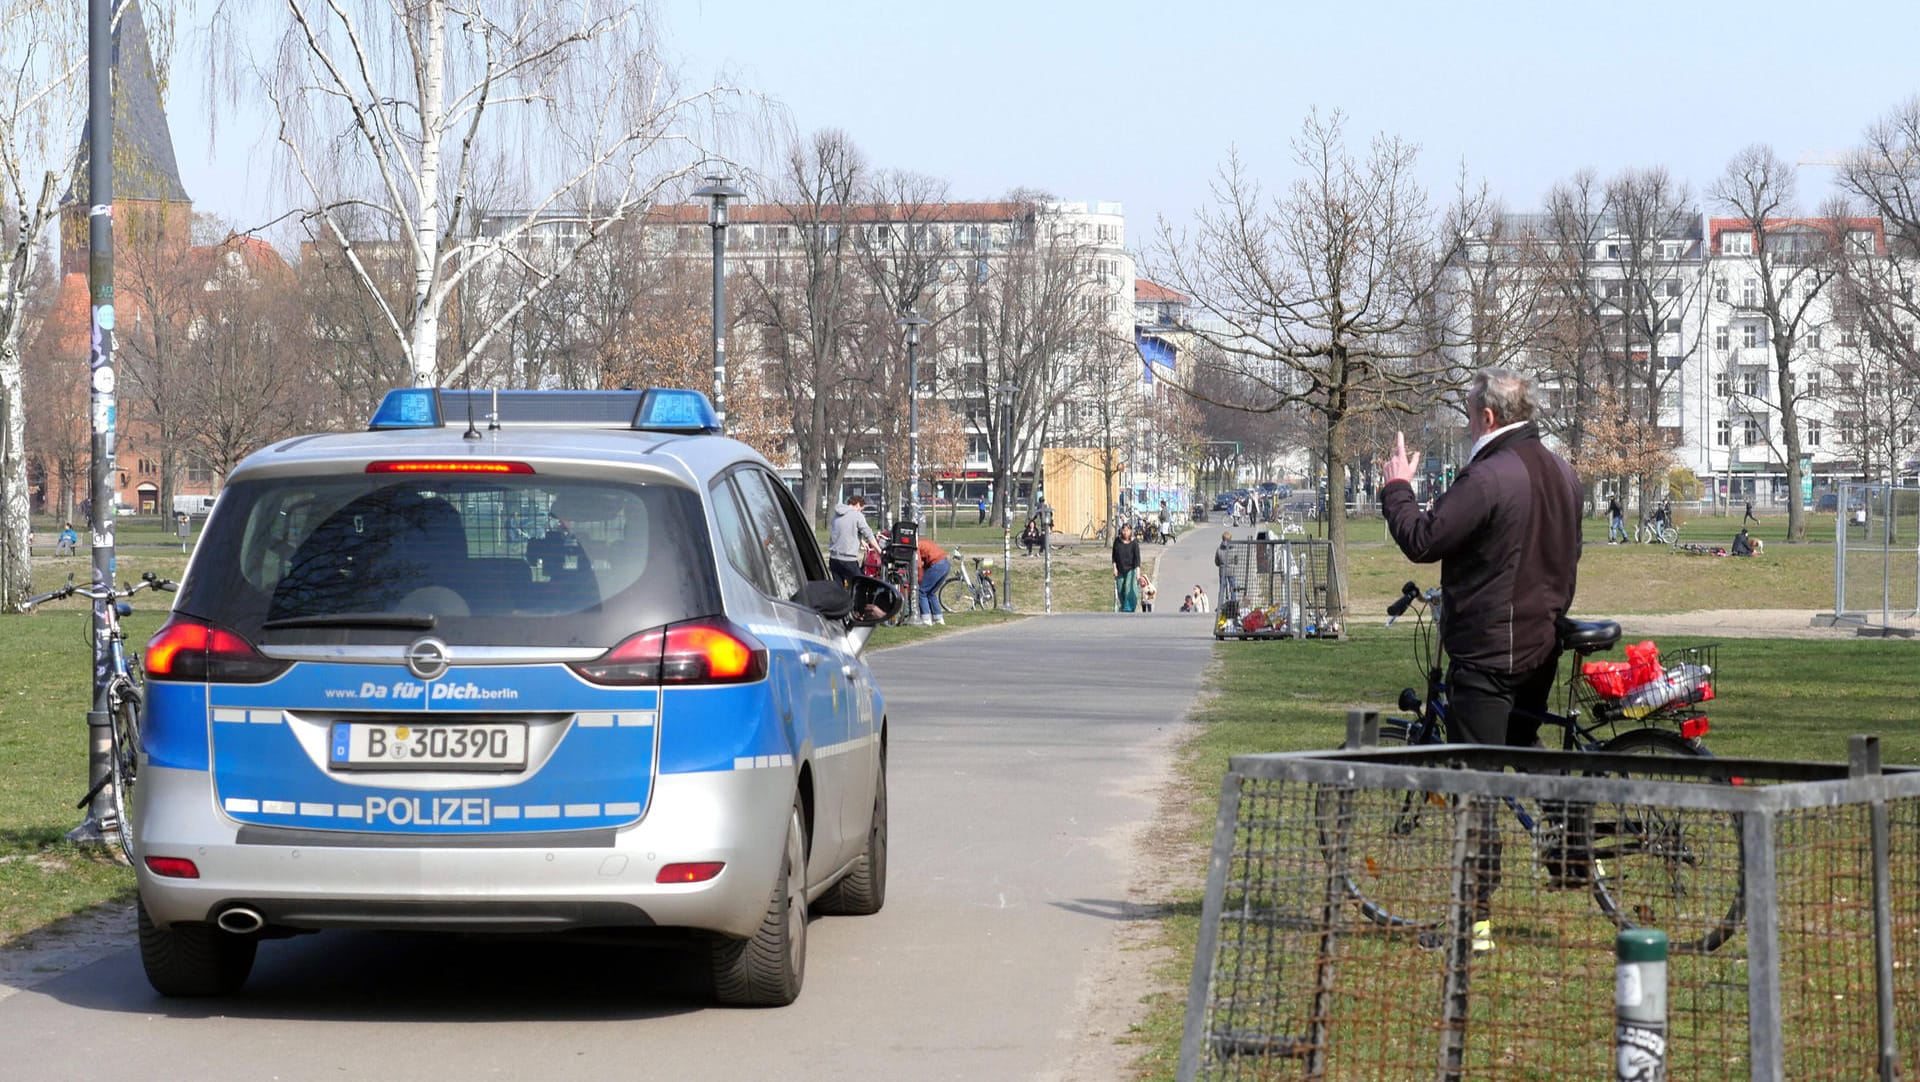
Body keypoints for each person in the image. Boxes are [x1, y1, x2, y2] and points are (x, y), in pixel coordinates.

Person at [1380, 367, 1581, 957]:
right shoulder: (1561, 471)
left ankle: (1473, 923)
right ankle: (1574, 848)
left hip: (1491, 649)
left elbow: (1423, 539)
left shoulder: (1490, 475)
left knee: (1476, 784)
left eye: (1469, 416)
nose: (1469, 426)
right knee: (1523, 746)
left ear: (1487, 418)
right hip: (1542, 640)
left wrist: (1397, 487)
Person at [827, 494, 880, 586]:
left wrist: (861, 541)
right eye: (861, 508)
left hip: (834, 559)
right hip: (848, 560)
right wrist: (879, 550)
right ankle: (857, 600)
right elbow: (868, 534)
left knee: (839, 589)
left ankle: (841, 600)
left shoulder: (836, 514)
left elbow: (844, 531)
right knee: (860, 584)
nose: (861, 511)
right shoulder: (857, 515)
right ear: (858, 504)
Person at [914, 536, 950, 626]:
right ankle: (938, 618)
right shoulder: (925, 542)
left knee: (922, 591)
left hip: (937, 564)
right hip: (946, 563)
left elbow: (918, 565)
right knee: (931, 593)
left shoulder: (916, 545)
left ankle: (926, 619)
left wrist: (919, 579)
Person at [1111, 523, 1142, 612]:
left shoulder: (1134, 543)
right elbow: (1114, 556)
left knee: (1129, 588)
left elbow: (1137, 559)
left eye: (1127, 530)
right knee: (1120, 589)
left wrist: (1138, 574)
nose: (1125, 532)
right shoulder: (1117, 541)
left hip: (1131, 569)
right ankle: (1124, 604)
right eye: (1123, 530)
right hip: (1120, 569)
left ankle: (1128, 608)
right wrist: (1114, 568)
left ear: (1131, 531)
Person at [1214, 530, 1236, 611]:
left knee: (1222, 589)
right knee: (1233, 588)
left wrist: (1220, 565)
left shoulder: (1219, 549)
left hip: (1222, 571)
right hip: (1232, 571)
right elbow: (1236, 560)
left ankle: (1220, 605)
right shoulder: (1234, 549)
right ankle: (1234, 605)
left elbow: (1216, 561)